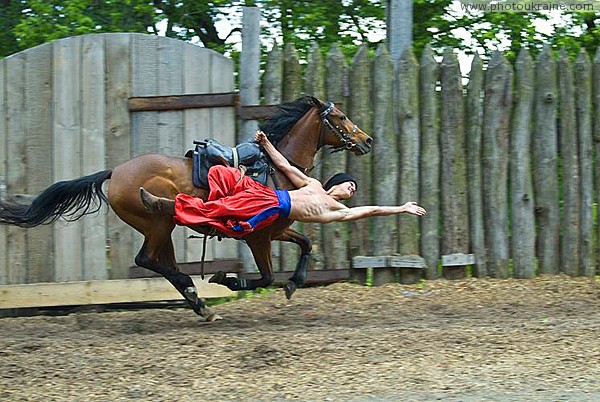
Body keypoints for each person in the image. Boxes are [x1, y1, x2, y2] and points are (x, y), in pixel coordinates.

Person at [140, 130, 426, 236]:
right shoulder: (312, 185)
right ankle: (210, 201)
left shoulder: (339, 212)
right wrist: (265, 143)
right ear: (335, 184)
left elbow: (373, 210)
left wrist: (401, 208)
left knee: (218, 213)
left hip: (272, 207)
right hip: (263, 192)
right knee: (221, 173)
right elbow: (284, 165)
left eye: (353, 191)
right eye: (349, 185)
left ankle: (169, 206)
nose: (352, 190)